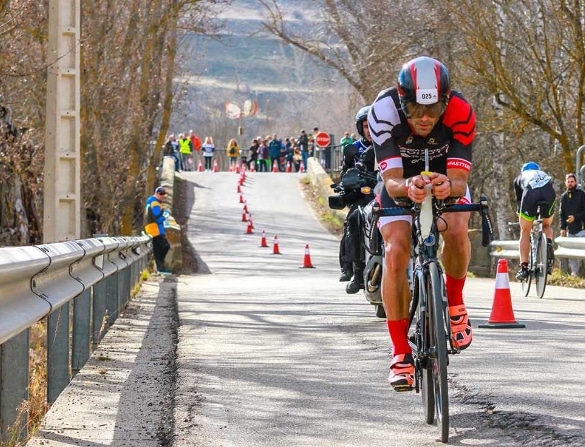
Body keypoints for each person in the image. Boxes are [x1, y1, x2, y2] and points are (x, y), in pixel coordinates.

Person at [368, 56, 476, 391]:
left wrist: (449, 186)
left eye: (434, 110)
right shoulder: (382, 112)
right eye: (415, 110)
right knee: (396, 250)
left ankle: (455, 303)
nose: (426, 118)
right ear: (402, 103)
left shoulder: (461, 110)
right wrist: (407, 187)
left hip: (445, 175)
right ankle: (401, 352)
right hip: (400, 182)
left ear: (446, 101)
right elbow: (391, 182)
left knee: (457, 228)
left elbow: (459, 181)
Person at [338, 105, 377, 294]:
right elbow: (344, 174)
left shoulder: (391, 145)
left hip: (389, 195)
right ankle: (355, 270)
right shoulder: (354, 149)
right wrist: (348, 182)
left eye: (374, 125)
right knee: (354, 218)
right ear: (360, 128)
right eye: (366, 126)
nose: (370, 130)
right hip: (364, 195)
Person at [513, 162, 556, 281]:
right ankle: (548, 248)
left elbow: (519, 202)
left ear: (523, 170)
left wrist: (522, 217)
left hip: (530, 193)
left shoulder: (520, 178)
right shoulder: (544, 174)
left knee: (525, 231)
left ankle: (524, 268)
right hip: (549, 193)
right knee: (547, 225)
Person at [559, 173, 585, 276]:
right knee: (571, 255)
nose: (570, 184)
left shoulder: (582, 194)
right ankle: (575, 274)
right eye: (568, 182)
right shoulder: (564, 197)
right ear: (565, 183)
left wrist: (575, 217)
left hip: (582, 229)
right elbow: (562, 213)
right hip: (570, 230)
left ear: (576, 182)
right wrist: (563, 228)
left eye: (572, 181)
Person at [144, 186, 171, 273]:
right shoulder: (155, 204)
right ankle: (160, 267)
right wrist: (165, 216)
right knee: (164, 246)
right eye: (160, 194)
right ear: (156, 193)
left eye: (163, 194)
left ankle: (160, 267)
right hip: (156, 230)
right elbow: (157, 219)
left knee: (158, 249)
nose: (162, 196)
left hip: (152, 229)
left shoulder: (151, 202)